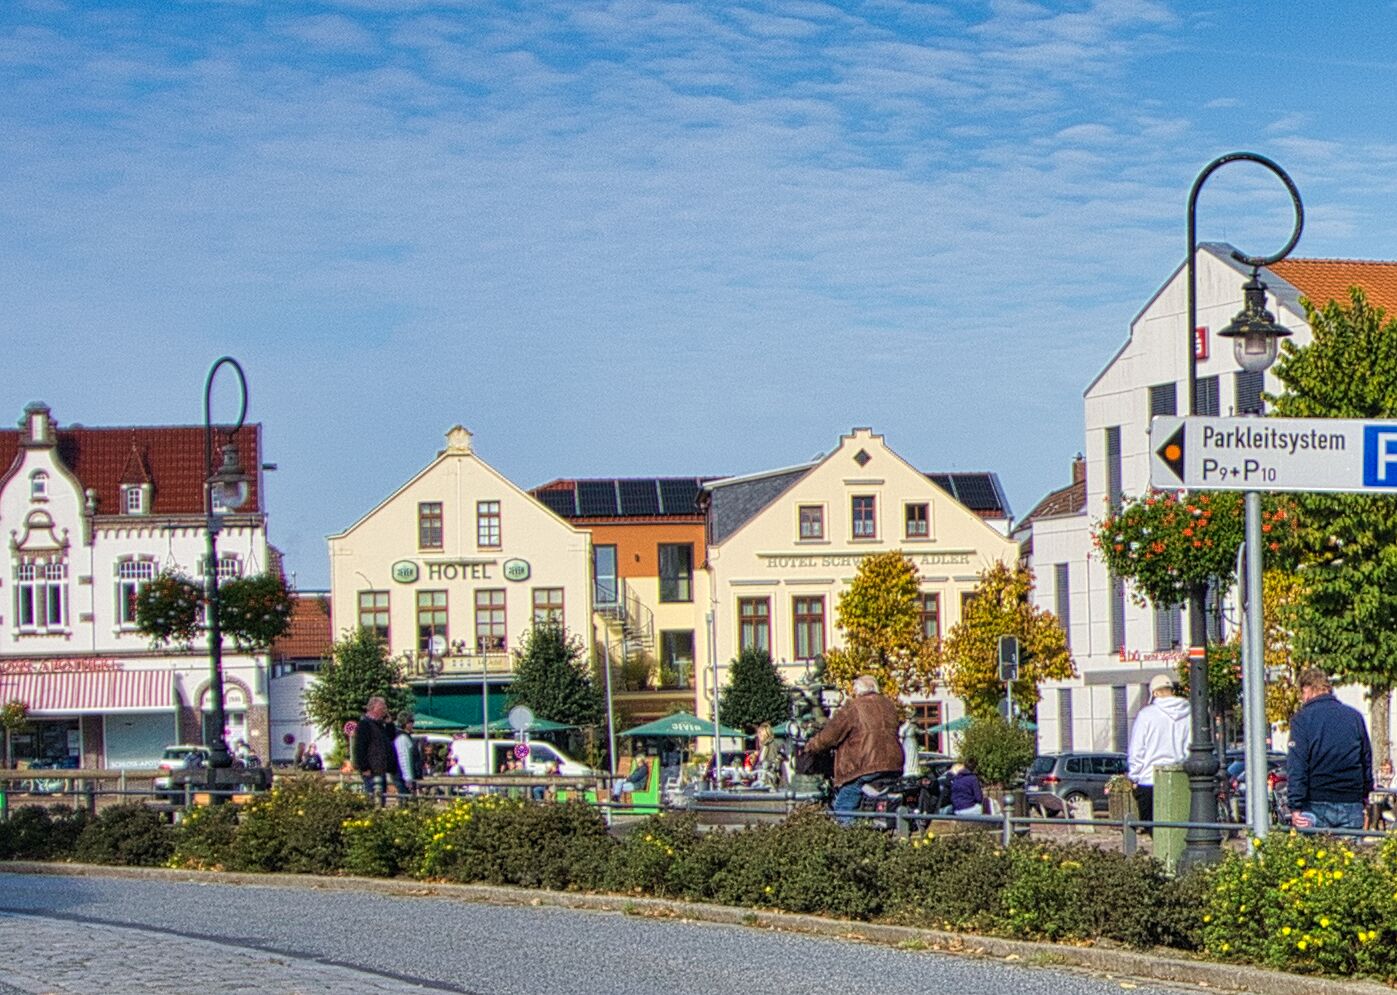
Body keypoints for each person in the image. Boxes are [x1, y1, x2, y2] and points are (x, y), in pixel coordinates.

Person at [801, 674, 904, 825]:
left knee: (844, 806)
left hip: (865, 765)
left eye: (854, 690)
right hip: (894, 763)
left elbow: (831, 734)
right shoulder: (889, 705)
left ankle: (850, 842)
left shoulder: (854, 707)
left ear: (859, 690)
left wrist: (811, 745)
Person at [1288, 667, 1373, 830]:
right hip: (1351, 800)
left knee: (1314, 854)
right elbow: (1365, 759)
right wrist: (1365, 794)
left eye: (1301, 694)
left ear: (1307, 688)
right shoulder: (1354, 717)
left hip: (1315, 800)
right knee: (1349, 853)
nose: (1302, 699)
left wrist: (1295, 806)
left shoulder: (1302, 719)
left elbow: (1297, 765)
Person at [1127, 673, 1191, 825]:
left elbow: (1137, 749)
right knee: (1177, 827)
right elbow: (1190, 746)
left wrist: (1134, 775)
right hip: (1177, 777)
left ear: (1155, 693)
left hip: (1149, 779)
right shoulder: (1187, 714)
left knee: (1152, 826)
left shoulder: (1146, 715)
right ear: (1171, 690)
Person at [352, 695, 395, 806]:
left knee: (381, 799)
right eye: (382, 709)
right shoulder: (365, 724)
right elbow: (360, 747)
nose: (384, 712)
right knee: (373, 799)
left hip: (380, 768)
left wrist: (389, 724)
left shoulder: (380, 725)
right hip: (371, 769)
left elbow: (391, 738)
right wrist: (364, 767)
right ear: (373, 709)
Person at [393, 713, 419, 798]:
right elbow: (404, 758)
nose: (412, 724)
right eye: (411, 722)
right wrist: (408, 778)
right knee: (406, 802)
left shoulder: (404, 736)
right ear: (406, 723)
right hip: (403, 777)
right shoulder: (402, 738)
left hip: (403, 776)